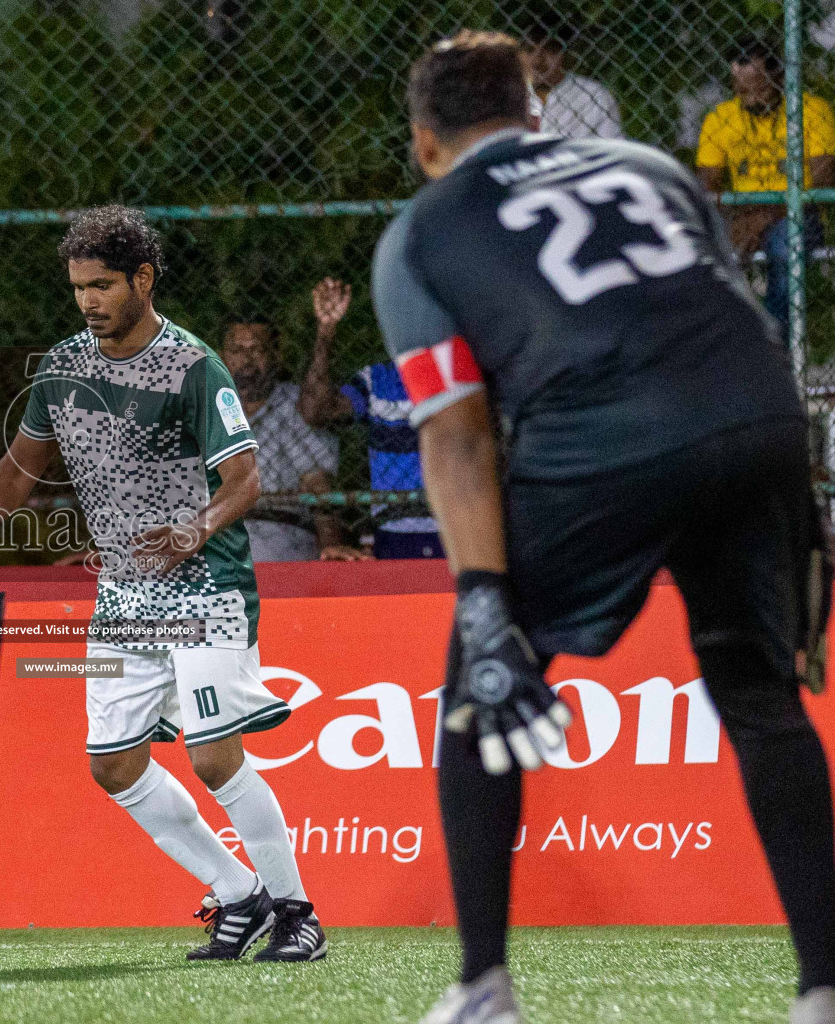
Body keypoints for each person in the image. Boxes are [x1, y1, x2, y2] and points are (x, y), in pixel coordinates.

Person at [376, 33, 835, 1024]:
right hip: (759, 420)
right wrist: (794, 500)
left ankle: (484, 987)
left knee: (477, 683)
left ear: (424, 143)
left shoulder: (423, 232)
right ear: (534, 112)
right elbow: (731, 321)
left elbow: (455, 436)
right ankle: (825, 989)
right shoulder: (651, 166)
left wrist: (487, 602)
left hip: (606, 435)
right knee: (760, 695)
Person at [0, 206, 327, 963]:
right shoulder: (63, 368)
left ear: (143, 279)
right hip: (125, 598)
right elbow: (20, 468)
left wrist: (190, 530)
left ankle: (297, 915)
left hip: (205, 587)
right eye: (79, 287)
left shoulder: (193, 366)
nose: (88, 301)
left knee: (213, 756)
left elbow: (244, 481)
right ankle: (238, 896)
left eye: (103, 285)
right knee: (113, 766)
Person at [697, 37, 835, 334]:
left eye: (759, 88)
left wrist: (763, 217)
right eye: (742, 90)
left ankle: (773, 344)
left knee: (785, 242)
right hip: (743, 217)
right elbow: (705, 188)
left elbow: (821, 186)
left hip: (797, 217)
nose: (751, 99)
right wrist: (736, 220)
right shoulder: (720, 119)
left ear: (779, 77)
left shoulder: (812, 111)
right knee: (700, 246)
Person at [298, 279, 443, 559]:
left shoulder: (465, 371)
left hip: (459, 524)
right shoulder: (378, 379)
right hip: (394, 532)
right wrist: (326, 331)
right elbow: (316, 411)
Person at [217, 306, 362, 561]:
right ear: (220, 356)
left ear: (276, 354)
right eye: (237, 351)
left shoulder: (296, 407)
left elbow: (317, 482)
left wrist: (331, 543)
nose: (246, 361)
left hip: (284, 544)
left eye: (257, 350)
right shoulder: (205, 410)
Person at [523, 11, 624, 140]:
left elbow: (612, 147)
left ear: (567, 56)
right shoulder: (509, 95)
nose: (537, 60)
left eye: (549, 50)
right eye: (529, 50)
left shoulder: (594, 95)